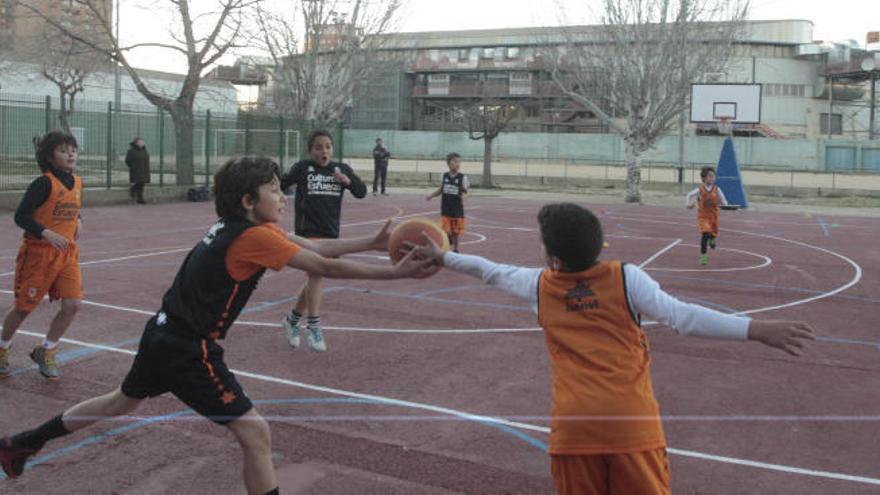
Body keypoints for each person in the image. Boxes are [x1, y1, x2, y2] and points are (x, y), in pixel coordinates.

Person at [0, 156, 429, 494]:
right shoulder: (255, 236)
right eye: (275, 191)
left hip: (161, 331)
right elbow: (321, 266)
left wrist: (373, 243)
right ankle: (23, 443)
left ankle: (22, 443)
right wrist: (397, 273)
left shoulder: (236, 226)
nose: (283, 198)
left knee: (119, 402)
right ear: (248, 200)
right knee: (255, 432)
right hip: (188, 348)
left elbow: (312, 245)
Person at [409, 202, 815, 495]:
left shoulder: (538, 284)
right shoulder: (627, 278)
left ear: (552, 255)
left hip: (574, 430)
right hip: (631, 425)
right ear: (597, 244)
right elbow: (684, 318)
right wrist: (755, 328)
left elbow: (487, 270)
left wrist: (442, 256)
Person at [0, 131, 84, 379]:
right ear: (49, 157)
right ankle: (3, 347)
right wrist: (46, 232)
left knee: (73, 304)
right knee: (24, 308)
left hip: (66, 253)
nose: (70, 154)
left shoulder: (77, 183)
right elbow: (21, 216)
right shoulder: (43, 183)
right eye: (63, 150)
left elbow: (72, 208)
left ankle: (46, 350)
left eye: (73, 149)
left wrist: (79, 221)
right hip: (39, 255)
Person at [279, 129, 366, 352]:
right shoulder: (302, 169)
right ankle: (314, 325)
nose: (323, 151)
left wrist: (346, 181)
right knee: (317, 273)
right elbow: (280, 183)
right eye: (318, 147)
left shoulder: (341, 169)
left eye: (327, 146)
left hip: (330, 233)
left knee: (314, 277)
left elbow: (361, 191)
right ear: (310, 151)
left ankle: (292, 318)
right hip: (307, 233)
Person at [425, 152, 469, 253]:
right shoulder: (444, 176)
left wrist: (464, 190)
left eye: (459, 162)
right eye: (455, 162)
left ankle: (456, 249)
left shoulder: (463, 178)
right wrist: (431, 195)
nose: (457, 164)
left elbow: (466, 191)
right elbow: (441, 190)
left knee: (455, 231)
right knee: (445, 229)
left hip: (457, 208)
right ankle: (448, 241)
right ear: (448, 164)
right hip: (446, 207)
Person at [686, 166, 728, 266]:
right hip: (703, 217)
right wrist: (688, 205)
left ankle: (713, 238)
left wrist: (725, 205)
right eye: (710, 176)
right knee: (705, 234)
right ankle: (703, 256)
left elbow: (724, 202)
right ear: (704, 178)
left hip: (714, 217)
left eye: (713, 176)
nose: (712, 178)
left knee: (712, 234)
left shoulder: (717, 190)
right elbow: (689, 195)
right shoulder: (700, 190)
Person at [125, 137, 150, 204]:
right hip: (136, 169)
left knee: (142, 184)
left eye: (143, 141)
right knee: (138, 182)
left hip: (144, 169)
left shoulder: (144, 151)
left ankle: (140, 198)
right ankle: (133, 190)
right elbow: (128, 161)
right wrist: (132, 166)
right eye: (141, 142)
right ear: (137, 143)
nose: (143, 143)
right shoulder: (131, 151)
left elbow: (146, 160)